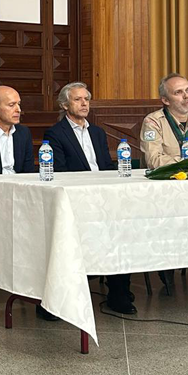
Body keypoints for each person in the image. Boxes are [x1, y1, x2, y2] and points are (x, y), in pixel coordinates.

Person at [44, 82, 136, 316]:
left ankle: (119, 292)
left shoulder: (97, 132)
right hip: (77, 198)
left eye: (86, 99)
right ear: (65, 105)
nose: (84, 103)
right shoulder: (55, 133)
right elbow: (61, 172)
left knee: (122, 229)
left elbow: (105, 166)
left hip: (103, 196)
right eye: (78, 99)